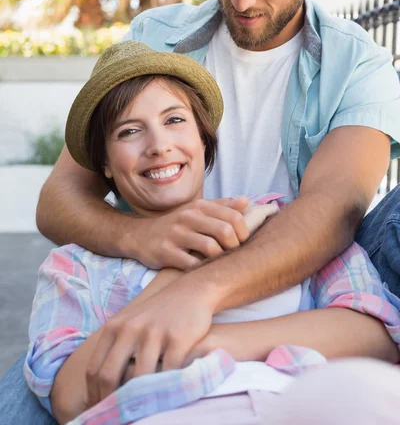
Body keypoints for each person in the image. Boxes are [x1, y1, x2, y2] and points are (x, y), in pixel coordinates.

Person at [1, 0, 400, 424]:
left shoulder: (358, 64)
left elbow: (334, 209)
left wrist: (198, 294)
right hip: (139, 287)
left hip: (291, 286)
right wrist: (144, 239)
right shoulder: (154, 35)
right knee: (26, 406)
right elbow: (61, 196)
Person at [24, 40, 400, 425]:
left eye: (174, 120)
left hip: (299, 407)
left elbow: (377, 336)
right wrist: (186, 264)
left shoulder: (277, 222)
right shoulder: (75, 267)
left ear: (202, 138)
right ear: (103, 163)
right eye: (130, 131)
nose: (159, 146)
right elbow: (69, 396)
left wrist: (203, 344)